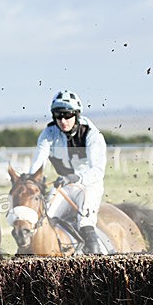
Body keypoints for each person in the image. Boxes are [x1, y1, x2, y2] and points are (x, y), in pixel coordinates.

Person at [28, 90, 107, 254]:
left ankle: (97, 257)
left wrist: (76, 177)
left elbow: (98, 171)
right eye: (58, 116)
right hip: (64, 187)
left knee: (85, 222)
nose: (63, 121)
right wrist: (31, 181)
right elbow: (38, 163)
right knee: (43, 219)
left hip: (88, 186)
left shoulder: (92, 134)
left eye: (68, 115)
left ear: (76, 114)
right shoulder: (48, 133)